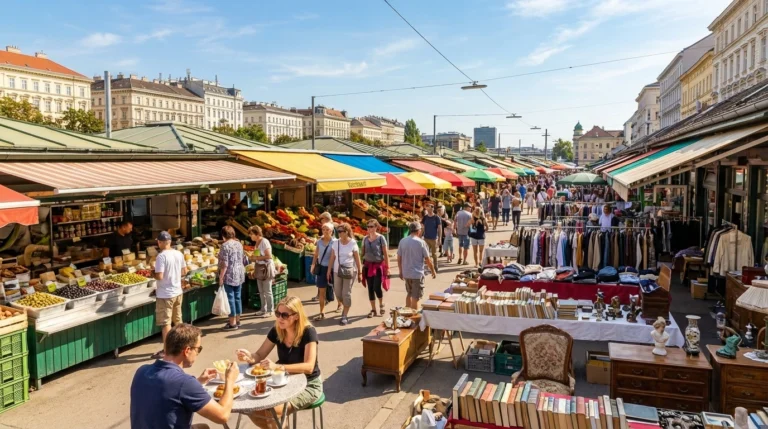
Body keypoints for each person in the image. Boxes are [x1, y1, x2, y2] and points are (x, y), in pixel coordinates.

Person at [236, 297, 322, 429]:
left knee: (272, 411)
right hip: (282, 381)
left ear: (296, 316)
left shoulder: (308, 332)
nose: (280, 318)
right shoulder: (277, 330)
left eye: (284, 315)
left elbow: (309, 367)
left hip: (309, 384)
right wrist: (249, 357)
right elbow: (259, 355)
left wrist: (278, 367)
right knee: (253, 408)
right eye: (277, 314)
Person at [131, 324, 239, 429]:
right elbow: (223, 416)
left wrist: (199, 381)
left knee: (203, 427)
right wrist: (230, 380)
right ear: (187, 351)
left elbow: (169, 391)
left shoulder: (141, 371)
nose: (197, 353)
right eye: (198, 349)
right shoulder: (185, 383)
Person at [152, 231, 188, 359]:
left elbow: (160, 276)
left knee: (166, 323)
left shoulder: (161, 257)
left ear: (160, 242)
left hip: (165, 294)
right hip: (178, 292)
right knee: (178, 321)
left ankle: (167, 351)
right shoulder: (179, 253)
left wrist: (152, 272)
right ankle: (183, 346)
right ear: (170, 242)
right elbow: (184, 272)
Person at [326, 222, 362, 326]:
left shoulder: (353, 243)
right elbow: (332, 257)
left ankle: (344, 315)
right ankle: (343, 304)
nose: (339, 233)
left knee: (346, 293)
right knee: (337, 293)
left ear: (347, 232)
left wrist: (360, 272)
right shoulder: (335, 243)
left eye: (341, 231)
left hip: (349, 271)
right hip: (337, 271)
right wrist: (329, 270)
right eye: (338, 231)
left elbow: (357, 258)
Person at [397, 222, 436, 309]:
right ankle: (414, 318)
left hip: (406, 273)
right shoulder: (421, 242)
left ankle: (406, 315)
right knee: (416, 297)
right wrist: (433, 270)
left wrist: (400, 271)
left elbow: (399, 258)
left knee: (409, 294)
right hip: (417, 274)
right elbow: (428, 259)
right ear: (419, 231)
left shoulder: (402, 241)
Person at [218, 225, 246, 331]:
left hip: (229, 275)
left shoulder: (224, 246)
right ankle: (238, 320)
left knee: (230, 298)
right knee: (237, 297)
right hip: (239, 273)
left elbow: (225, 264)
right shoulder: (239, 244)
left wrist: (221, 277)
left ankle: (232, 323)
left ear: (223, 235)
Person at [361, 219, 389, 318]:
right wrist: (361, 266)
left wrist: (387, 267)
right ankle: (373, 309)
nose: (369, 228)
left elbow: (385, 254)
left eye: (372, 226)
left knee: (376, 287)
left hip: (378, 266)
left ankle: (381, 304)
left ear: (376, 227)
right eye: (368, 226)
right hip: (368, 266)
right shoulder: (365, 239)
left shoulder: (381, 238)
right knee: (370, 288)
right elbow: (362, 252)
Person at [310, 222, 336, 321]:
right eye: (323, 229)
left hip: (332, 269)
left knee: (335, 289)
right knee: (322, 291)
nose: (325, 231)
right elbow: (316, 255)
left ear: (331, 231)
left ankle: (340, 305)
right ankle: (322, 311)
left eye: (327, 230)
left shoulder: (335, 242)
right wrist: (313, 265)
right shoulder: (320, 242)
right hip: (321, 268)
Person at [248, 226, 276, 318]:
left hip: (266, 268)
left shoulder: (264, 242)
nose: (250, 236)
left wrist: (257, 258)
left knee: (267, 291)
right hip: (259, 268)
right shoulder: (256, 242)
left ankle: (270, 310)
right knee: (261, 291)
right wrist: (253, 258)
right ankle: (263, 309)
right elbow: (257, 255)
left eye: (251, 234)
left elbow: (269, 256)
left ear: (257, 234)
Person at [312, 212, 336, 303]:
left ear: (325, 219)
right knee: (322, 283)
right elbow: (315, 254)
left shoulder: (333, 228)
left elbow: (333, 240)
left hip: (331, 264)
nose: (321, 221)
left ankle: (333, 300)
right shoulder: (320, 240)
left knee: (331, 284)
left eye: (322, 219)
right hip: (322, 264)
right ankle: (321, 297)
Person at [421, 204, 442, 272]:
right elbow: (423, 227)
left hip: (434, 239)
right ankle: (428, 267)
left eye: (430, 209)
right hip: (426, 238)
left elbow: (439, 228)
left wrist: (439, 238)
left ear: (433, 209)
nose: (428, 210)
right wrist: (420, 236)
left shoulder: (436, 218)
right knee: (426, 254)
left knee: (434, 254)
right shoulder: (425, 217)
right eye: (428, 209)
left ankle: (435, 266)